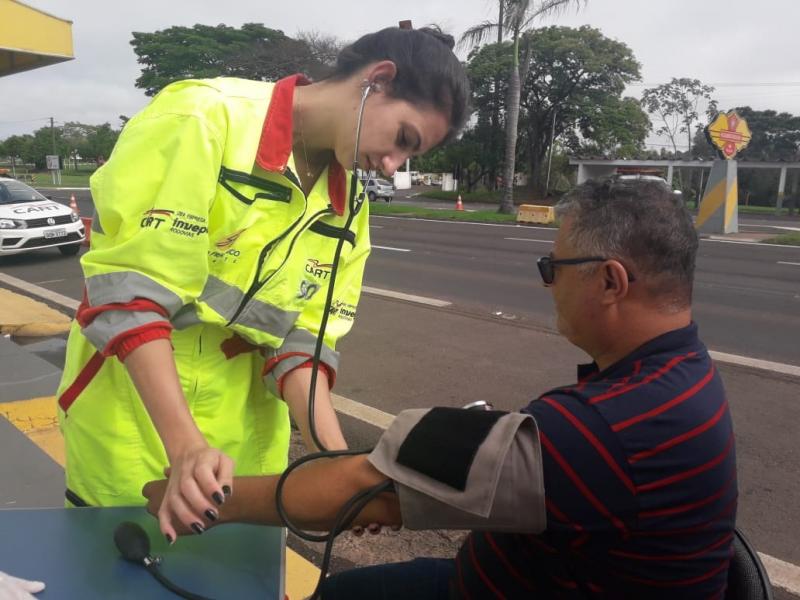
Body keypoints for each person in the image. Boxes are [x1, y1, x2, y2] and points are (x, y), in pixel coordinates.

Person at [144, 178, 738, 598]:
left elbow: (359, 490)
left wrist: (191, 500)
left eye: (552, 269)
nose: (547, 284)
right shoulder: (686, 375)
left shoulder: (602, 429)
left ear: (611, 282)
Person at [57, 25, 469, 543]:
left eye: (410, 157)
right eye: (403, 139)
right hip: (136, 422)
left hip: (251, 445)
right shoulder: (202, 118)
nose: (393, 165)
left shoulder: (351, 207)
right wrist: (186, 448)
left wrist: (339, 467)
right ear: (377, 80)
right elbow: (132, 297)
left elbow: (303, 343)